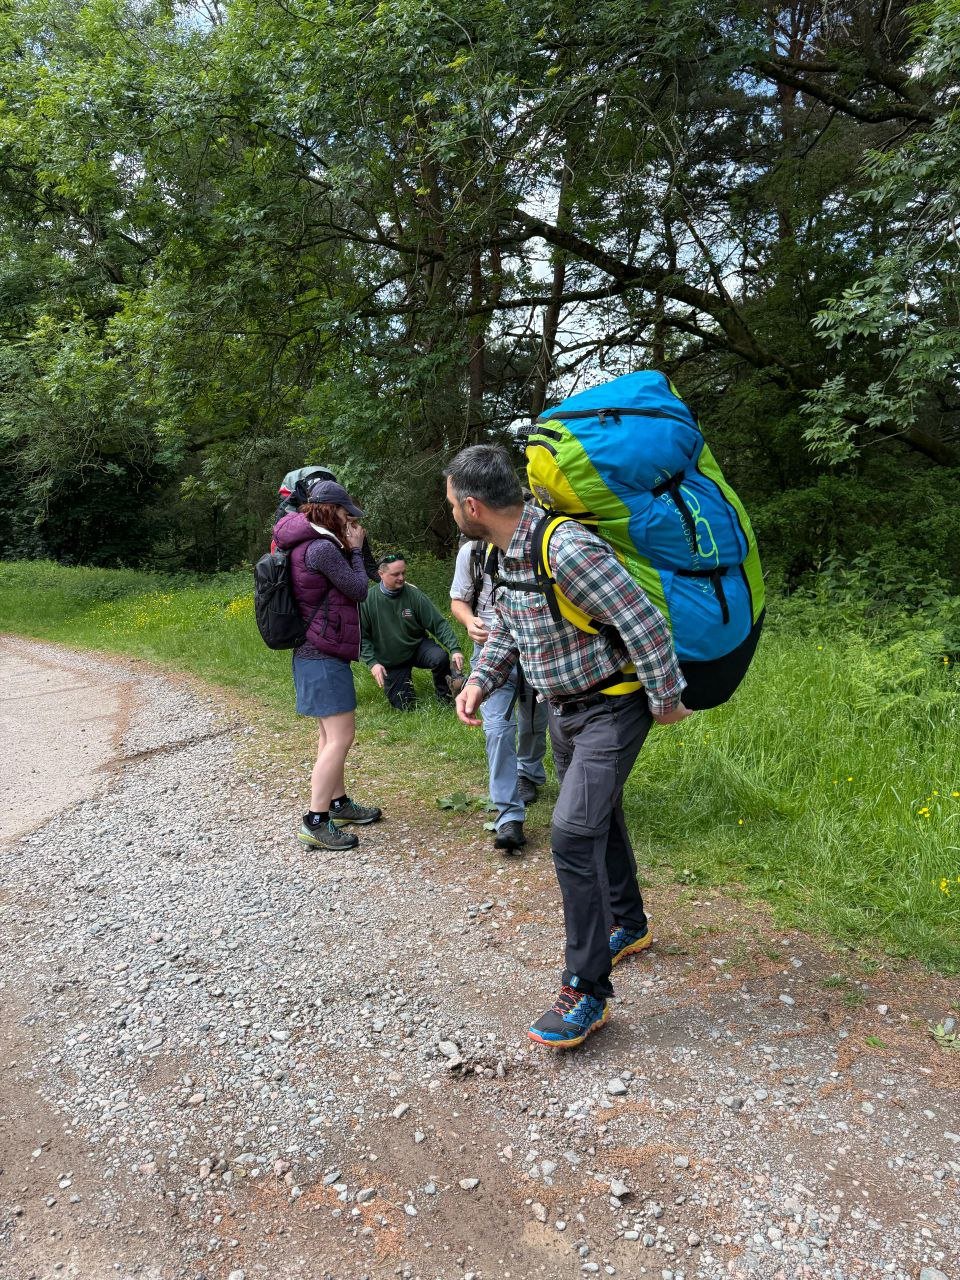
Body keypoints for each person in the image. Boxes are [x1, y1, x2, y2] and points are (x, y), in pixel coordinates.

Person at [444, 444, 691, 1049]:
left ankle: (585, 990)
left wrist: (665, 700)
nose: (450, 511)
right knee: (598, 816)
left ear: (472, 506)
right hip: (564, 712)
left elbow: (642, 622)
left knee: (573, 834)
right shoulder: (501, 555)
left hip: (612, 707)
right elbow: (509, 630)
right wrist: (480, 680)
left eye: (451, 502)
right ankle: (628, 923)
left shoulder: (566, 549)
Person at [273, 478, 383, 852]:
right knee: (340, 737)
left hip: (313, 652)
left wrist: (354, 548)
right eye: (346, 514)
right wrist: (356, 549)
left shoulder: (306, 543)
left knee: (328, 736)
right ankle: (316, 821)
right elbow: (359, 588)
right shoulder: (321, 548)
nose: (351, 520)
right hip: (321, 654)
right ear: (332, 511)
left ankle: (338, 804)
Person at [450, 537, 548, 852]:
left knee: (534, 721)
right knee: (497, 729)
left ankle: (528, 771)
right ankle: (509, 815)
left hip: (536, 649)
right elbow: (458, 600)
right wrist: (469, 621)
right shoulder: (473, 553)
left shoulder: (541, 544)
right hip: (489, 653)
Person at [360, 553, 465, 710]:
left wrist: (454, 649)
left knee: (440, 657)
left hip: (417, 647)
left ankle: (446, 698)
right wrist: (373, 663)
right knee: (404, 706)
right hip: (391, 659)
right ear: (381, 574)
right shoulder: (367, 600)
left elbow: (438, 624)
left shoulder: (413, 594)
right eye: (396, 574)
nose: (401, 578)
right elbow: (362, 637)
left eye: (403, 572)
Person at [275, 465, 378, 580]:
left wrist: (380, 576)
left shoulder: (336, 497)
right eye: (348, 519)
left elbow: (368, 562)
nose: (349, 524)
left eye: (354, 522)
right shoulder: (305, 504)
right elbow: (282, 532)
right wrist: (355, 552)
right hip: (293, 490)